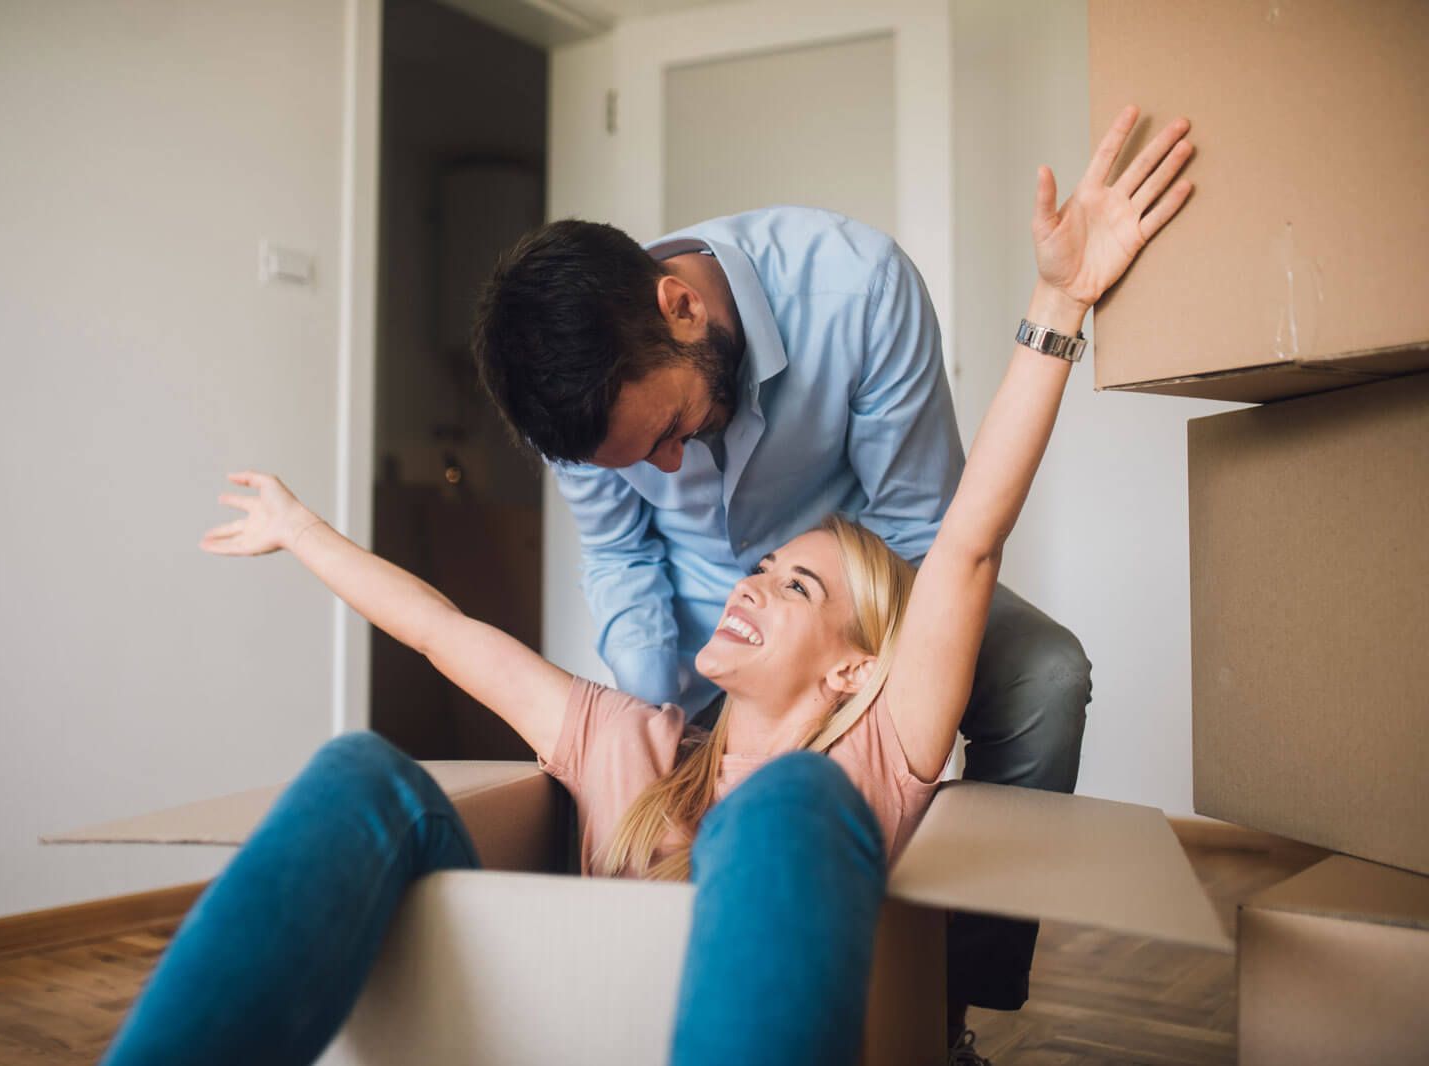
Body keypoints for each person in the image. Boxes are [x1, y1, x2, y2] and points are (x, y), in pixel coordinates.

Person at [99, 106, 1193, 1066]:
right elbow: (442, 630)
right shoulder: (623, 743)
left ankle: (952, 1007)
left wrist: (1058, 302)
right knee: (359, 773)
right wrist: (302, 530)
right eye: (763, 567)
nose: (747, 579)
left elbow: (953, 545)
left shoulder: (875, 756)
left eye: (795, 586)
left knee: (815, 784)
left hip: (858, 678)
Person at [473, 135, 1096, 1034]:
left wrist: (848, 691)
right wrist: (659, 730)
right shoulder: (573, 409)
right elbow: (619, 560)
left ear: (681, 306)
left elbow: (933, 534)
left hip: (864, 581)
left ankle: (947, 1002)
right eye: (645, 460)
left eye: (674, 428)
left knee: (1046, 678)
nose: (672, 465)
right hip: (697, 614)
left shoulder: (860, 287)